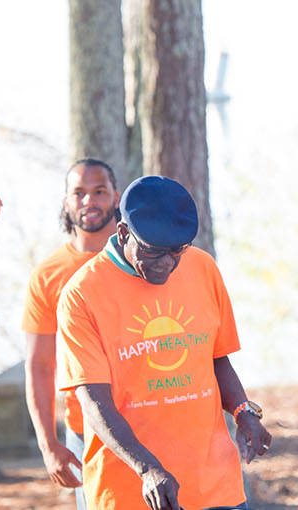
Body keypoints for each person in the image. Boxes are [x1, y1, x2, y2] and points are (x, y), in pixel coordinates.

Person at [56, 175, 271, 510]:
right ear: (123, 232)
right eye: (154, 252)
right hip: (132, 492)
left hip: (215, 487)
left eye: (177, 252)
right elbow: (93, 402)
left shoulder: (203, 267)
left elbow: (215, 357)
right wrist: (147, 468)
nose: (167, 264)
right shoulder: (81, 295)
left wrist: (244, 412)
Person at [22, 159, 120, 509]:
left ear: (116, 198)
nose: (89, 201)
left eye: (99, 192)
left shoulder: (142, 260)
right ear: (66, 201)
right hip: (86, 428)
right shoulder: (47, 275)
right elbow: (39, 366)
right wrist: (49, 445)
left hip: (151, 416)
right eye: (78, 192)